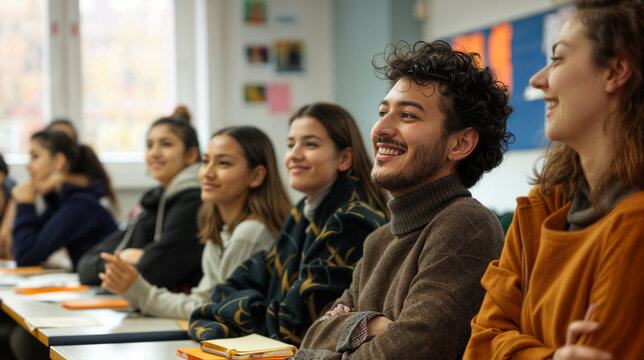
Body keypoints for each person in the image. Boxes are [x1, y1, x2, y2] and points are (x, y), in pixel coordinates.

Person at [295, 40, 512, 360]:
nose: (381, 128)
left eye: (407, 116)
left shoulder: (465, 225)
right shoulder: (378, 241)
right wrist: (372, 325)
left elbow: (415, 349)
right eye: (383, 112)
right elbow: (311, 337)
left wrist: (346, 326)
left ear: (461, 143)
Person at [463, 1, 644, 359]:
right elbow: (481, 341)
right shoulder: (539, 207)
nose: (537, 79)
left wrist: (515, 345)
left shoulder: (635, 222)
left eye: (558, 58)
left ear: (615, 72)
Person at [189, 103, 389, 345]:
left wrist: (228, 309)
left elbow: (296, 326)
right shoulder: (303, 212)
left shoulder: (351, 220)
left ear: (344, 158)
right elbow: (239, 281)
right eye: (291, 144)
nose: (295, 154)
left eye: (310, 144)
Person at [98, 126, 292, 319]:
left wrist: (141, 292)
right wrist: (138, 290)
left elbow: (217, 312)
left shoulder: (250, 234)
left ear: (256, 176)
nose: (207, 172)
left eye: (223, 163)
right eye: (205, 161)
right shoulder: (220, 229)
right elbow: (203, 303)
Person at [77, 106, 205, 292]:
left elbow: (155, 271)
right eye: (149, 145)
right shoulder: (156, 201)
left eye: (166, 144)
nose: (154, 153)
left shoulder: (194, 201)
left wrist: (144, 259)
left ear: (191, 155)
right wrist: (134, 260)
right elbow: (85, 265)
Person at [10, 130, 118, 268]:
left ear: (59, 161)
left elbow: (26, 256)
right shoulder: (60, 202)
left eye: (35, 157)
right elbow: (24, 249)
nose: (28, 166)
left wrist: (25, 204)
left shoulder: (80, 204)